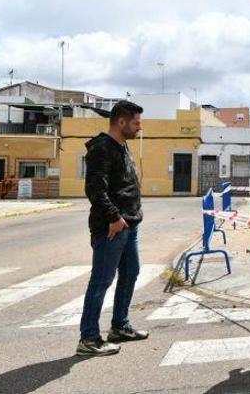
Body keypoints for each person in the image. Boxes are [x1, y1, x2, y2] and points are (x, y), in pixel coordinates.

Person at [76, 100, 149, 356]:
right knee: (101, 281)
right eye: (136, 123)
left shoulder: (122, 145)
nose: (139, 127)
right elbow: (94, 188)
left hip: (129, 224)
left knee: (131, 273)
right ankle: (89, 338)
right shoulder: (101, 148)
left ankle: (119, 326)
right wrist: (114, 217)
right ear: (121, 122)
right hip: (112, 227)